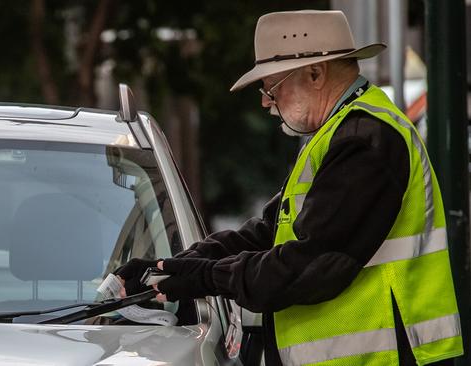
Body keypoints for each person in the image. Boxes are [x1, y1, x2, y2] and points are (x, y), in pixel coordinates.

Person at [115, 10, 464, 366]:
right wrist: (177, 266)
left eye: (272, 87)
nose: (266, 101)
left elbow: (310, 265)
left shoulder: (364, 140)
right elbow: (271, 232)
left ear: (315, 73)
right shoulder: (341, 134)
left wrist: (205, 277)